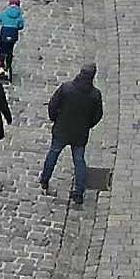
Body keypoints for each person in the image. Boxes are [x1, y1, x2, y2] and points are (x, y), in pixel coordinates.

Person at [40, 64, 104, 205]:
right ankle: (79, 192)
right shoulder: (95, 95)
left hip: (61, 129)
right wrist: (87, 125)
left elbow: (53, 105)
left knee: (53, 153)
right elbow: (98, 115)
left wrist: (55, 119)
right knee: (79, 161)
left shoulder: (66, 88)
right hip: (80, 134)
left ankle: (45, 179)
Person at [0, 0, 26, 78]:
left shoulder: (4, 12)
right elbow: (21, 26)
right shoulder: (19, 15)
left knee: (2, 49)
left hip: (4, 33)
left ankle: (1, 64)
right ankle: (8, 64)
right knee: (10, 50)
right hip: (13, 34)